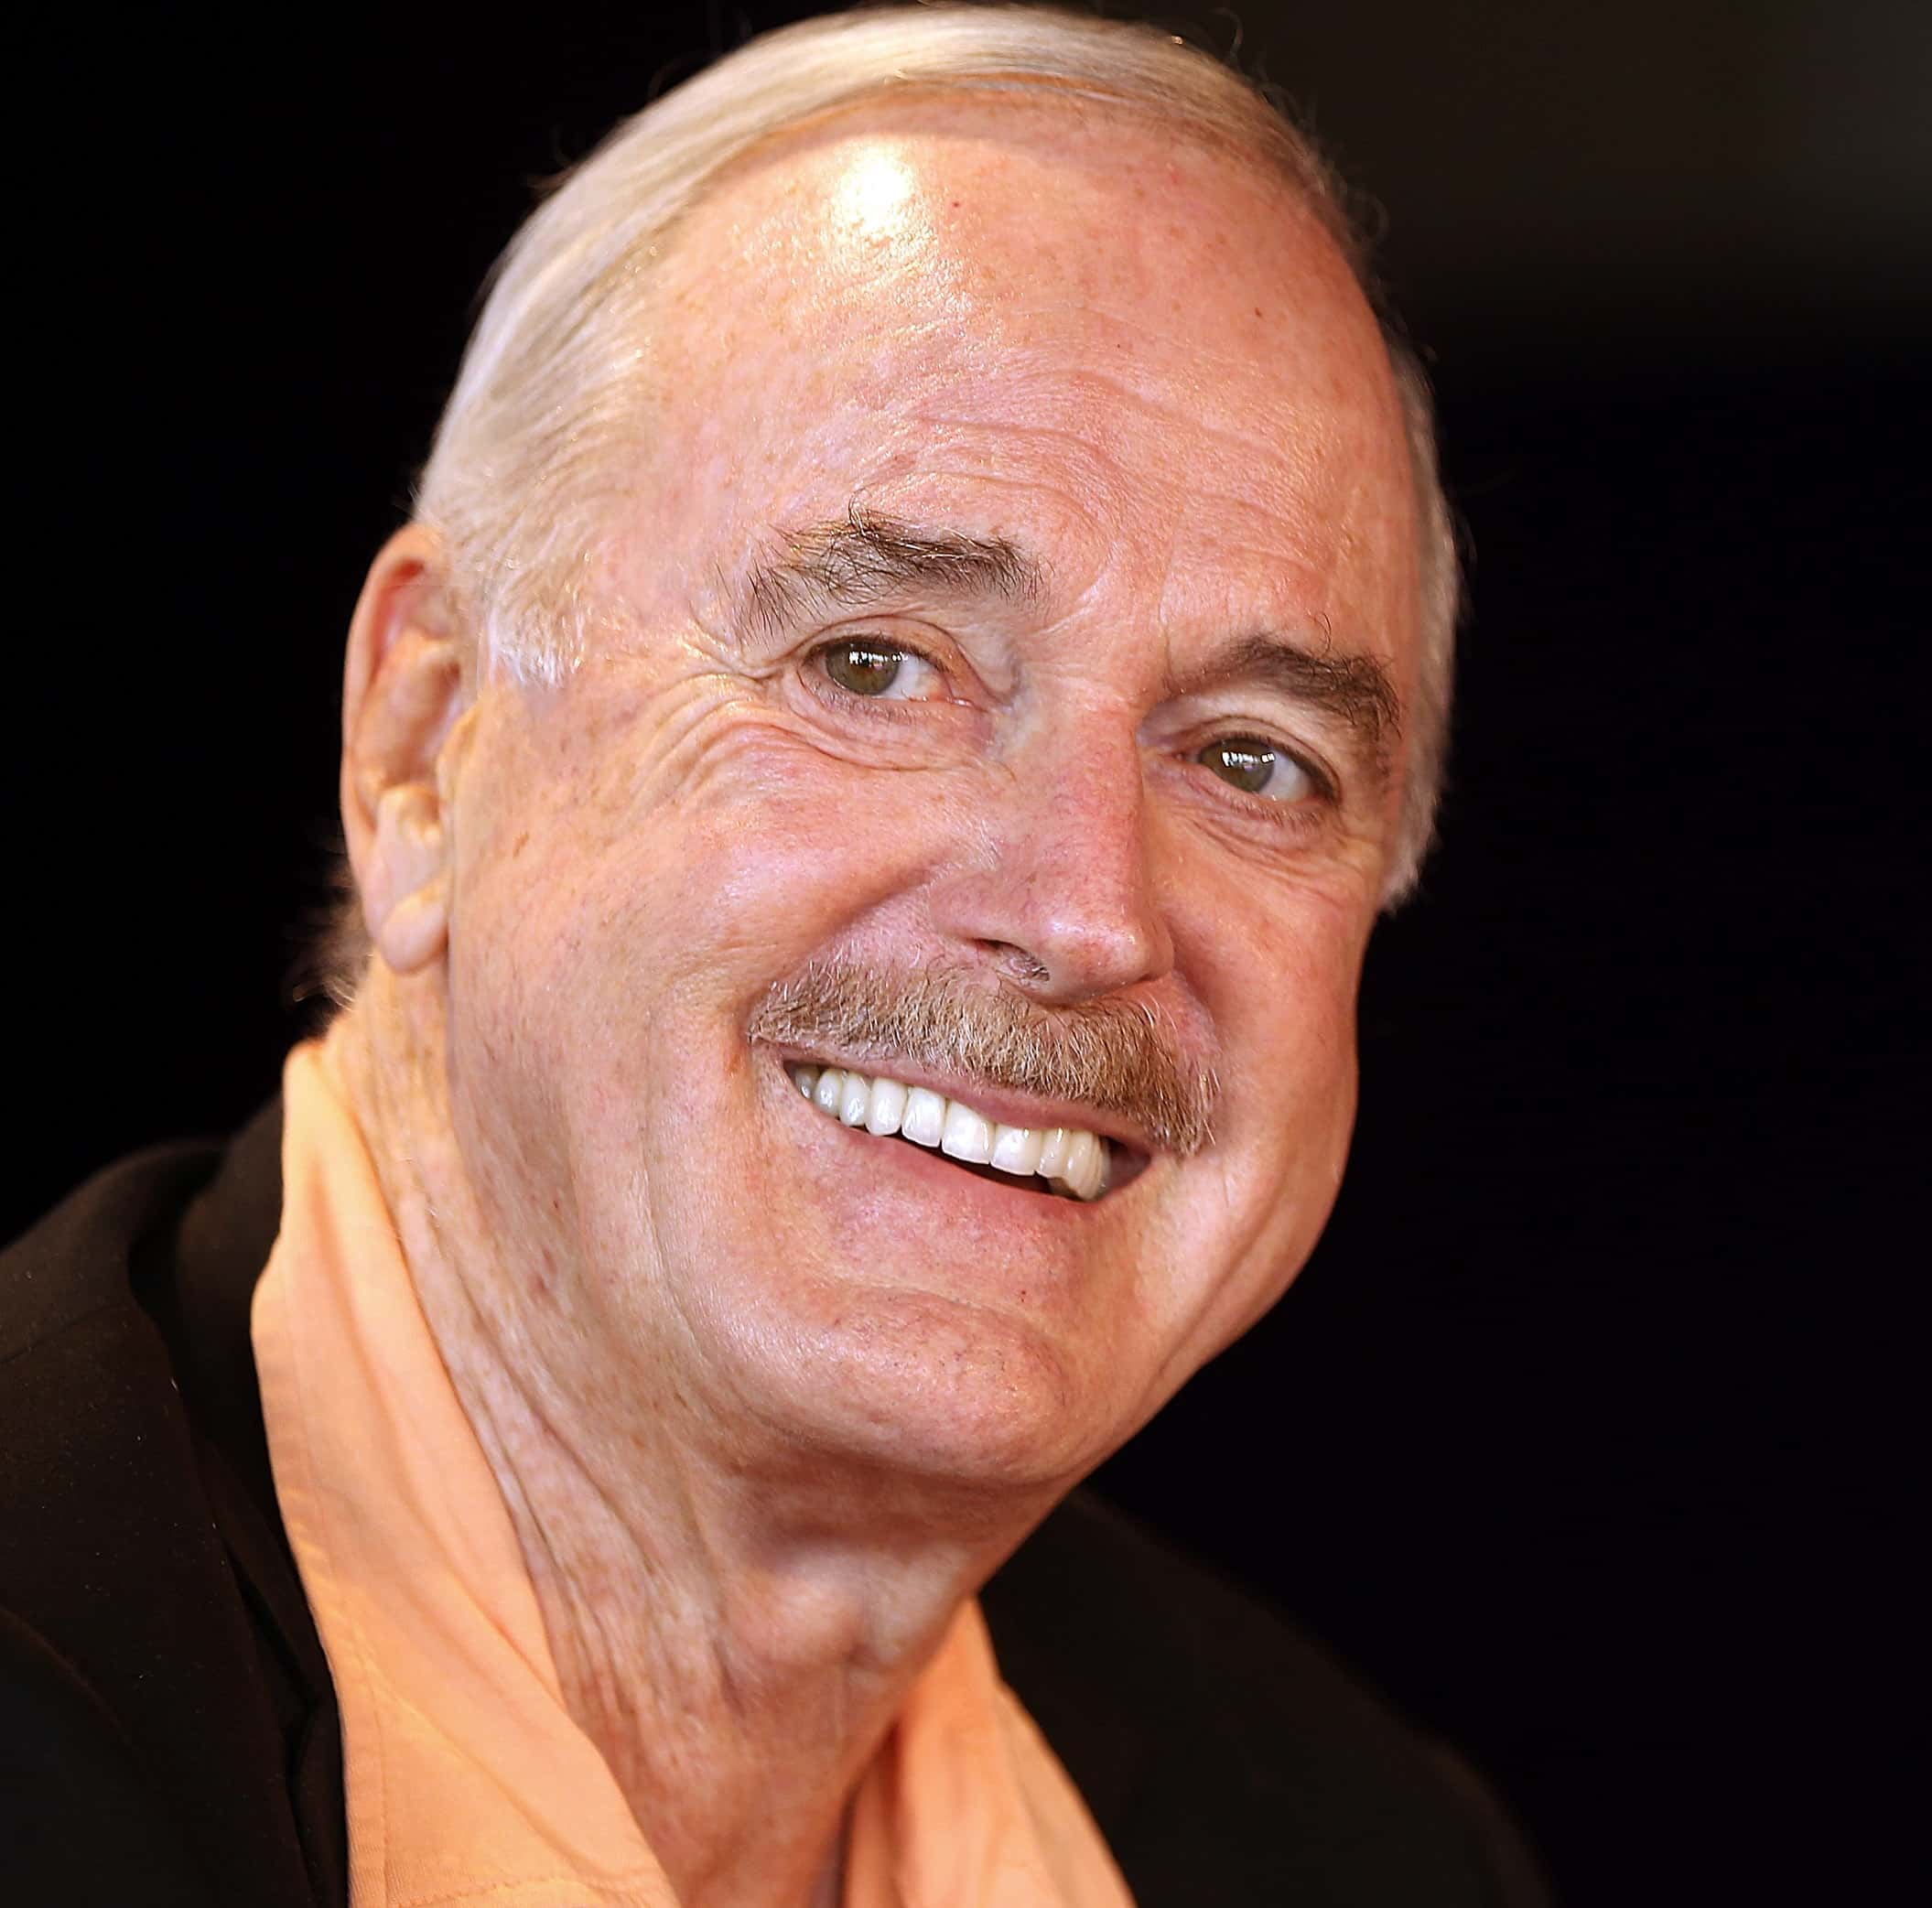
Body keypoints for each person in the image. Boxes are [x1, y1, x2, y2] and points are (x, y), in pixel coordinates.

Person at [0, 8, 1541, 1904]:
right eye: (874, 663)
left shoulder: (1373, 1852)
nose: (1086, 912)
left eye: (1250, 761)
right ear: (424, 746)